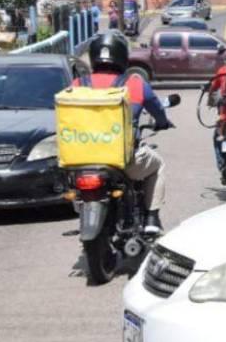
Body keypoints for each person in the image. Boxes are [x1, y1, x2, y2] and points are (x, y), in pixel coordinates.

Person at [72, 31, 172, 234]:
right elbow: (158, 112)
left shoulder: (78, 84)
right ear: (121, 57)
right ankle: (152, 217)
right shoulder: (134, 84)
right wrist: (162, 122)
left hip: (82, 158)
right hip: (123, 160)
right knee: (158, 165)